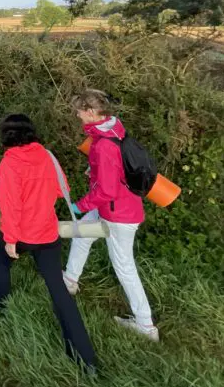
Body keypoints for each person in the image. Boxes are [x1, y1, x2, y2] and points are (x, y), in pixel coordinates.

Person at [0, 114, 97, 372]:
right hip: (48, 234)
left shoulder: (10, 163)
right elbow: (61, 190)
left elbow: (10, 206)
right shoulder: (47, 156)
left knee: (1, 258)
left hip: (22, 234)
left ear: (7, 136)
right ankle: (85, 358)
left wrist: (11, 239)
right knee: (58, 290)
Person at [63, 90, 159, 342]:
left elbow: (107, 190)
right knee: (81, 234)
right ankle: (70, 280)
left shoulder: (104, 144)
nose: (77, 114)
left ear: (92, 112)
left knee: (125, 267)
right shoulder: (113, 128)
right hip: (116, 207)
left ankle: (146, 326)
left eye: (80, 110)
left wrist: (80, 205)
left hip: (118, 215)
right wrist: (94, 170)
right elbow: (115, 167)